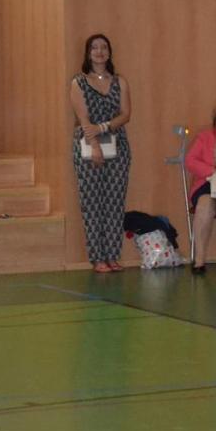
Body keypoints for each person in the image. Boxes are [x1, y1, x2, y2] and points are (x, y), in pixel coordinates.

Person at [69, 34, 132, 273]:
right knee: (92, 203)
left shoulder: (119, 82)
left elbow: (125, 114)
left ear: (109, 52)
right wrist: (95, 145)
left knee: (115, 202)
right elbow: (84, 119)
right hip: (88, 147)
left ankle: (112, 255)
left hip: (118, 146)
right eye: (94, 48)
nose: (99, 51)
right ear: (88, 53)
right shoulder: (78, 82)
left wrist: (104, 127)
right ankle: (97, 258)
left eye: (104, 47)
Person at [184, 98, 216, 274]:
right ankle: (199, 259)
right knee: (205, 204)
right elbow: (190, 161)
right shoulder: (205, 137)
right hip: (207, 183)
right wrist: (212, 171)